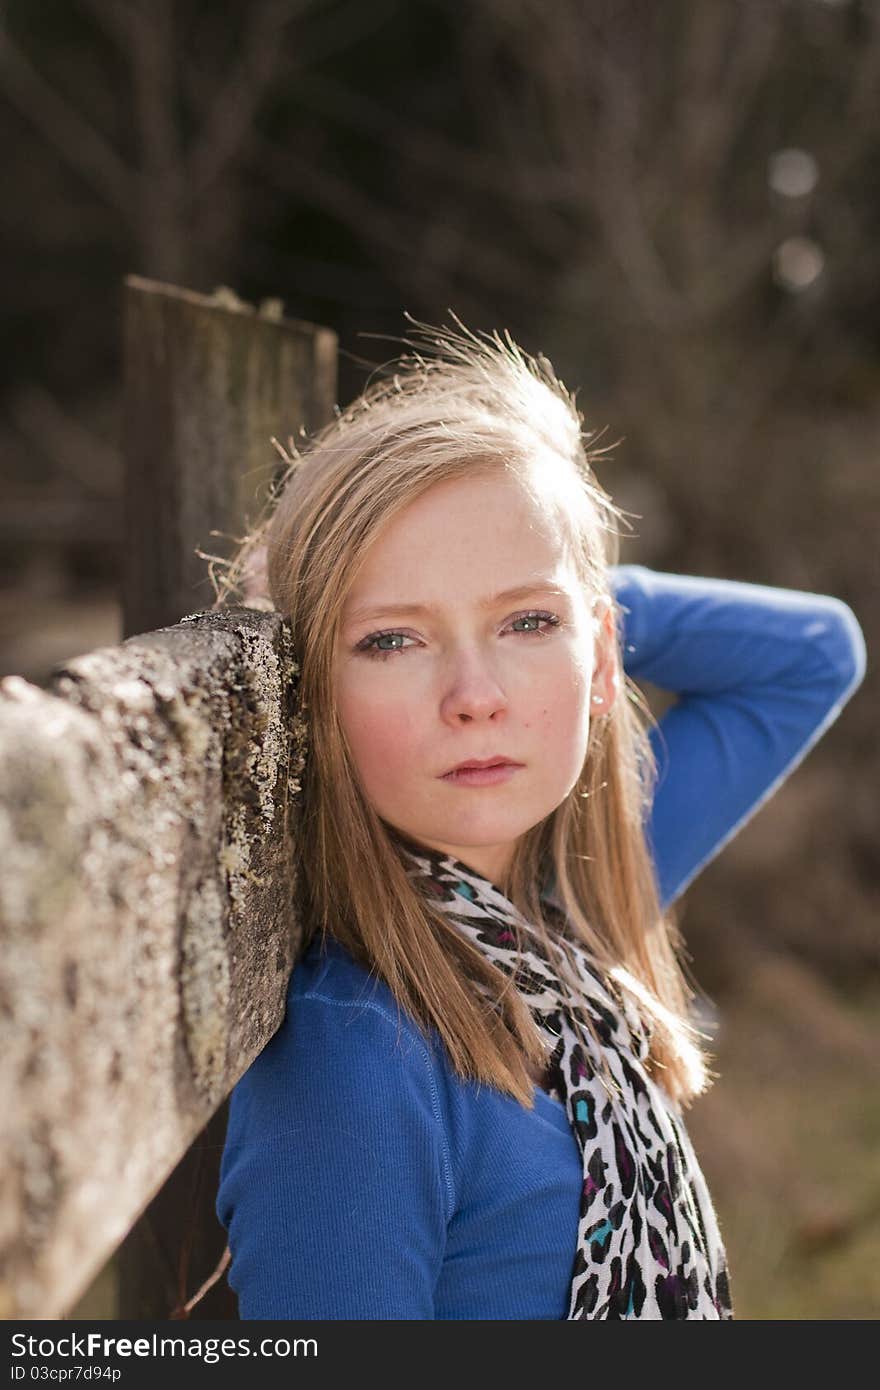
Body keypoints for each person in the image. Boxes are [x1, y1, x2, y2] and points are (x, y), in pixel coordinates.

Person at [213, 318, 865, 1320]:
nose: (474, 694)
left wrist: (557, 548)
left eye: (526, 624)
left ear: (602, 659)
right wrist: (521, 581)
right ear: (309, 688)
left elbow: (812, 651)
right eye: (390, 639)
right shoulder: (356, 1066)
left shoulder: (575, 912)